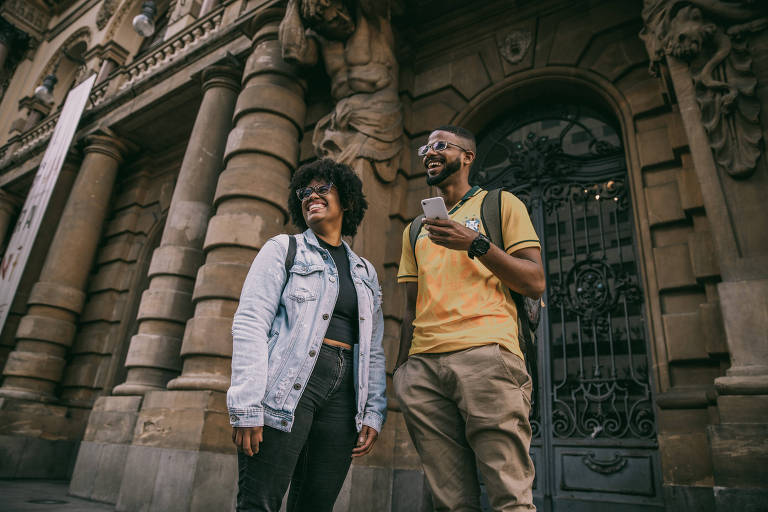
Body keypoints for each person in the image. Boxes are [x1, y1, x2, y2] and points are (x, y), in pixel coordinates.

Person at [394, 125, 546, 511]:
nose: (430, 151)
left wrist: (474, 243)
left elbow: (535, 280)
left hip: (487, 356)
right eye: (425, 147)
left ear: (467, 156)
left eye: (441, 145)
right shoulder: (415, 230)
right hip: (424, 371)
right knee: (450, 503)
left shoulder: (500, 204)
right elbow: (411, 309)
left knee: (509, 496)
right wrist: (402, 371)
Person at [228, 158, 387, 512]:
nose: (311, 196)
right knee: (259, 503)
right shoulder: (283, 249)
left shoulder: (365, 271)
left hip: (345, 398)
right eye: (305, 191)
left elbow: (373, 348)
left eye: (322, 188)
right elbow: (251, 322)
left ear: (345, 200)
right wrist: (246, 406)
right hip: (289, 385)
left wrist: (373, 410)